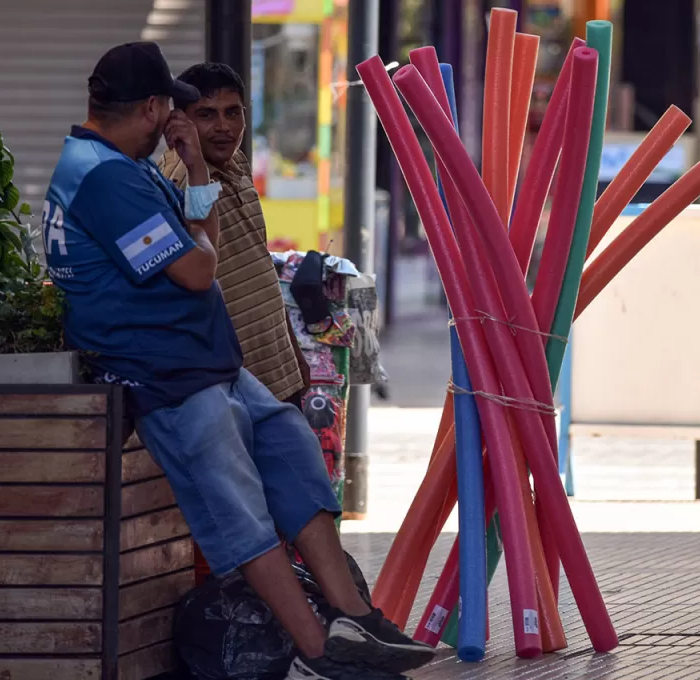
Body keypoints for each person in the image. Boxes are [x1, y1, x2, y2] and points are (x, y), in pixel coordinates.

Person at [41, 42, 433, 679]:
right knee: (241, 511)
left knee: (294, 457)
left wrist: (195, 169)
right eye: (173, 107)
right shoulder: (103, 177)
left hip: (213, 365)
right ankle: (318, 652)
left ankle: (356, 620)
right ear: (150, 107)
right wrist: (197, 235)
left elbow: (205, 246)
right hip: (165, 375)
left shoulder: (125, 163)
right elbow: (199, 272)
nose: (184, 121)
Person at [156, 62, 310, 409]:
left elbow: (259, 263)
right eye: (207, 115)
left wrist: (295, 354)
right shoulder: (178, 179)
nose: (224, 127)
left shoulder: (236, 164)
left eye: (233, 113)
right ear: (179, 122)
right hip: (234, 388)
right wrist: (195, 165)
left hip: (277, 371)